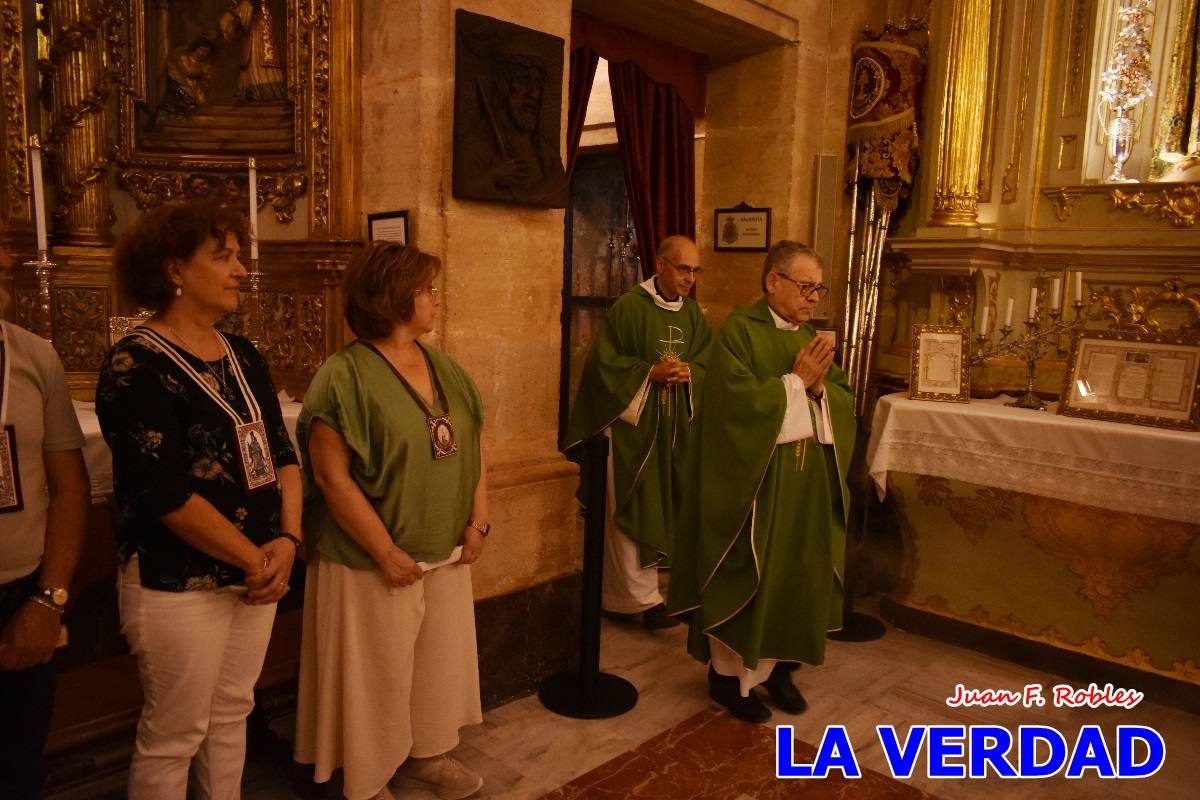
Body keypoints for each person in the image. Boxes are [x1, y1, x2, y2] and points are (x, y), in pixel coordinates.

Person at [95, 199, 302, 800]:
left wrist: (286, 541)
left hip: (261, 567)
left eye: (239, 256)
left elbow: (283, 457)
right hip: (179, 578)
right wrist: (256, 558)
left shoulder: (245, 356)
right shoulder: (135, 363)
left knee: (233, 710)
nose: (241, 269)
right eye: (223, 257)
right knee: (174, 734)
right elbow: (166, 495)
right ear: (175, 271)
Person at [294, 243, 489, 800]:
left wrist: (479, 520)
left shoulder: (444, 364)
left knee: (435, 666)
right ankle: (368, 774)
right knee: (374, 675)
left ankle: (425, 754)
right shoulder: (342, 375)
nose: (435, 298)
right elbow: (333, 480)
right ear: (393, 294)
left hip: (444, 549)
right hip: (369, 559)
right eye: (427, 289)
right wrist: (384, 551)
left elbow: (474, 444)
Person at [668, 240, 855, 723]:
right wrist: (794, 384)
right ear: (773, 281)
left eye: (819, 288)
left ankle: (778, 671)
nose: (814, 297)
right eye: (805, 286)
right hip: (755, 488)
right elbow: (733, 408)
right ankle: (728, 681)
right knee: (750, 571)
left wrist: (817, 388)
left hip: (802, 488)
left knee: (795, 576)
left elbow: (840, 400)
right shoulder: (738, 333)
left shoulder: (809, 337)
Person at [563, 236, 711, 630]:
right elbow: (603, 366)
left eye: (695, 271)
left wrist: (690, 373)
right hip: (633, 431)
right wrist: (649, 372)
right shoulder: (629, 308)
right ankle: (632, 599)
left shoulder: (694, 315)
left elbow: (709, 362)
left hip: (675, 432)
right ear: (660, 265)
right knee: (631, 509)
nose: (690, 279)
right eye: (683, 269)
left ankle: (663, 591)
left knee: (668, 508)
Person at [0, 225, 90, 799]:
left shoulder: (33, 357)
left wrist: (48, 598)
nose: (8, 259)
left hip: (18, 592)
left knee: (16, 765)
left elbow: (70, 488)